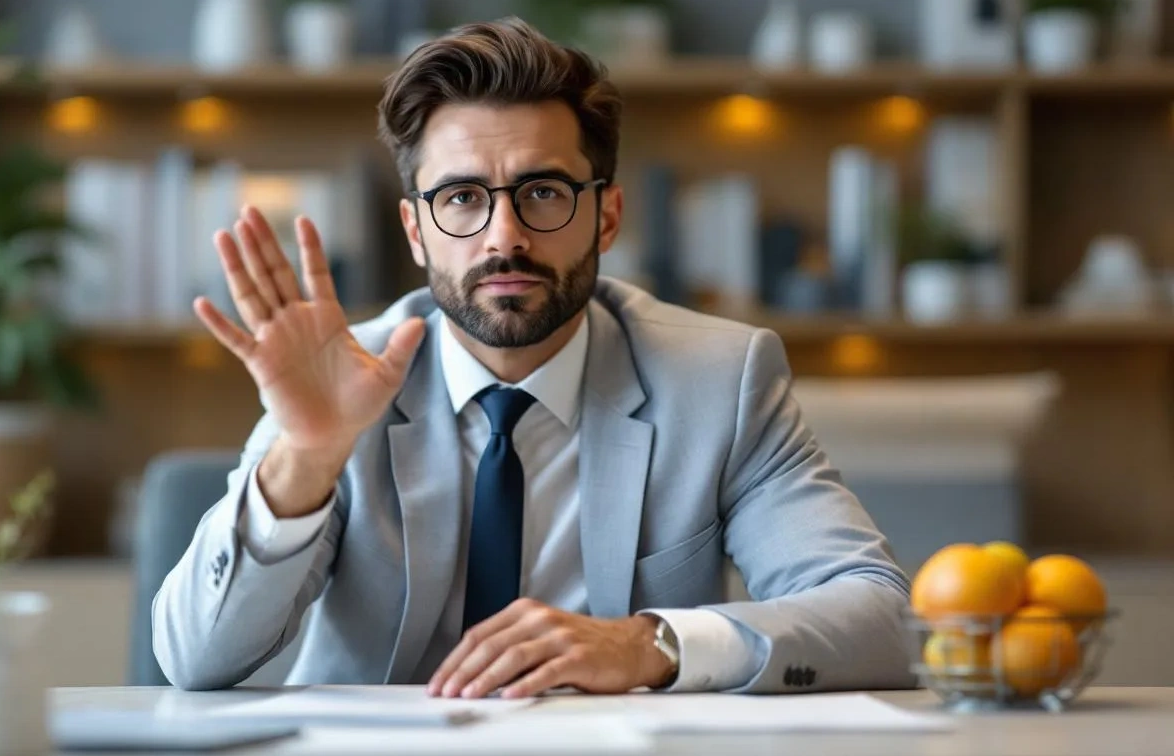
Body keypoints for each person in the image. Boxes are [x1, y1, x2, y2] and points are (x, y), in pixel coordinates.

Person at [152, 17, 915, 699]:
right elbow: (195, 660)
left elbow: (877, 615)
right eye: (460, 199)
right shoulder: (342, 379)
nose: (503, 237)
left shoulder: (721, 381)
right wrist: (307, 457)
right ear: (415, 232)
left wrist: (652, 644)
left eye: (543, 192)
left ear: (606, 215)